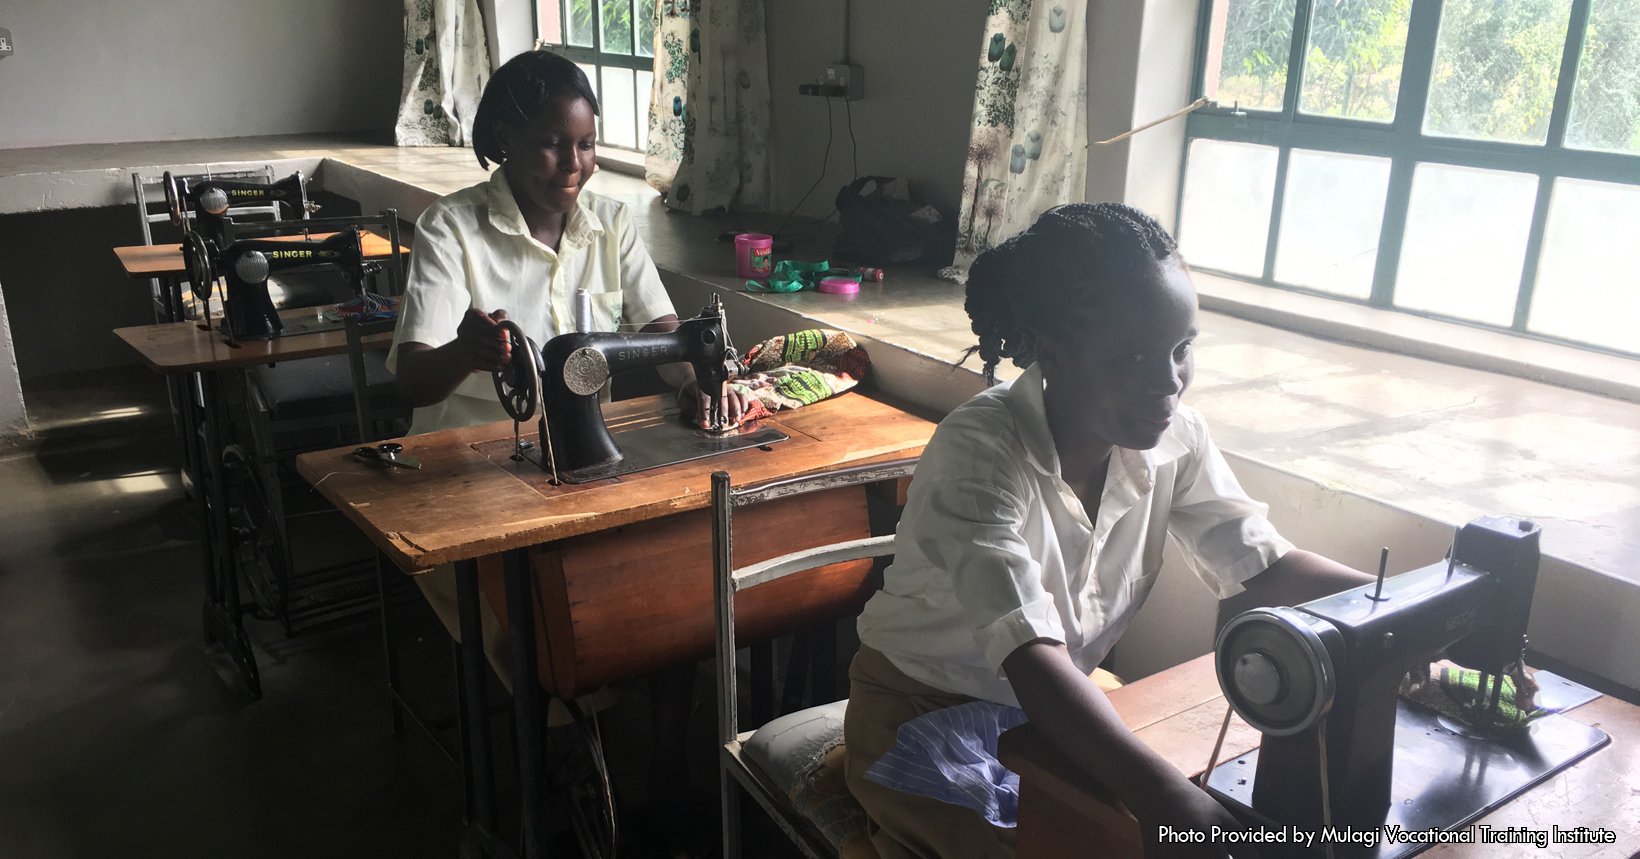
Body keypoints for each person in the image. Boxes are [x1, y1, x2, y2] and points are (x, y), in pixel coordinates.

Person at [842, 203, 1376, 859]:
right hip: (922, 716)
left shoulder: (1176, 440)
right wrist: (1169, 801)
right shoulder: (979, 456)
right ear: (1053, 352)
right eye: (1133, 355)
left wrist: (1413, 608)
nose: (1167, 382)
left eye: (1182, 350)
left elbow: (1265, 566)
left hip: (1055, 708)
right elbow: (1030, 656)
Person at [387, 50, 744, 853]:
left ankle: (661, 767)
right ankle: (552, 756)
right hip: (470, 461)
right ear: (504, 139)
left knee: (669, 576)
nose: (574, 164)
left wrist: (693, 377)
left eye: (585, 146)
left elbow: (659, 329)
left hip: (586, 455)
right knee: (538, 609)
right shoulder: (452, 229)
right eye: (553, 143)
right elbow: (412, 376)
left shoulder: (613, 223)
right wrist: (469, 352)